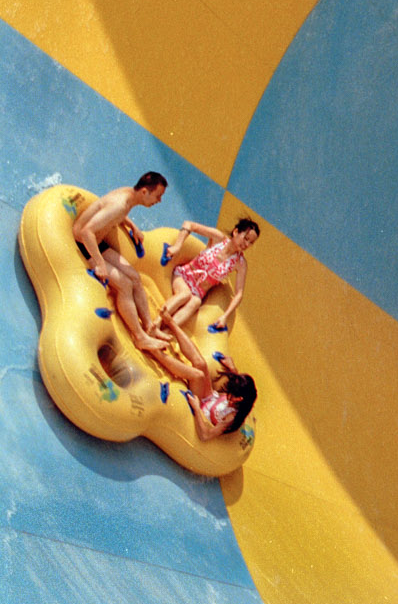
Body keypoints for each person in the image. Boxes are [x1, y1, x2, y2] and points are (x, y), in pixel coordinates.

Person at [72, 172, 170, 352]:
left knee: (135, 277)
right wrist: (100, 264)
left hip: (97, 243)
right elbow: (86, 232)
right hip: (84, 245)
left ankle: (149, 327)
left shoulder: (128, 195)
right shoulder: (120, 204)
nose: (159, 201)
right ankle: (140, 338)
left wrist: (132, 226)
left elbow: (113, 214)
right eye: (158, 196)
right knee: (125, 284)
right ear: (144, 192)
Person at [152, 312, 256, 440]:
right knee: (201, 364)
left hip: (201, 406)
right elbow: (240, 385)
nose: (228, 392)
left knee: (198, 376)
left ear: (239, 399)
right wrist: (233, 369)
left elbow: (205, 436)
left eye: (231, 393)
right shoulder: (242, 397)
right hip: (209, 397)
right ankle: (171, 323)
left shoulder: (231, 418)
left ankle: (154, 351)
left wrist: (196, 407)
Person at [157, 217, 259, 334]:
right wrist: (177, 246)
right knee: (185, 294)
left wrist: (225, 316)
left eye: (251, 242)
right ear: (236, 232)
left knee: (195, 302)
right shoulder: (218, 239)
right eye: (246, 238)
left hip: (198, 292)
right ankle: (156, 323)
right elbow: (189, 224)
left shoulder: (240, 263)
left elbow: (239, 294)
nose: (247, 244)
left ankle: (165, 333)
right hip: (184, 276)